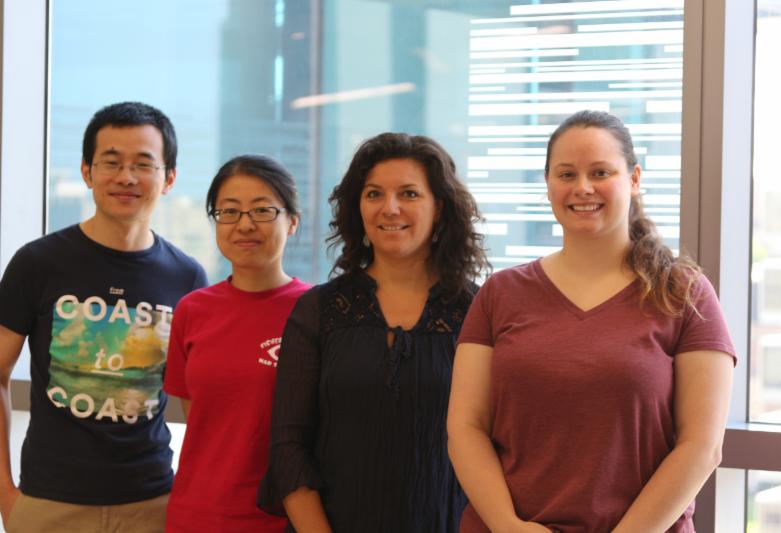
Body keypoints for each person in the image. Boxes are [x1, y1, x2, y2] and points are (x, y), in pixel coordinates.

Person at [447, 110, 736, 533]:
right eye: (567, 174)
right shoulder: (500, 293)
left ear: (633, 179)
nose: (582, 187)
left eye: (600, 172)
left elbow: (702, 446)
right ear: (548, 184)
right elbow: (466, 427)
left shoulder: (685, 293)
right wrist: (508, 526)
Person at [258, 132, 490, 533]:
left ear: (439, 207)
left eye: (409, 194)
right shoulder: (318, 310)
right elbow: (288, 445)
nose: (390, 208)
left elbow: (497, 444)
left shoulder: (479, 311)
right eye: (374, 194)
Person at [0, 102, 208, 533]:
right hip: (48, 503)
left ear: (169, 177)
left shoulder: (187, 277)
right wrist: (5, 492)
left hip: (152, 504)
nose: (126, 177)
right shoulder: (37, 263)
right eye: (111, 162)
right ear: (87, 171)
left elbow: (199, 400)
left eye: (143, 164)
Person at [164, 155, 310, 532]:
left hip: (285, 520)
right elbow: (202, 420)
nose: (245, 224)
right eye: (229, 212)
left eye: (262, 210)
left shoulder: (317, 312)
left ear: (293, 221)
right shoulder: (192, 310)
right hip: (195, 516)